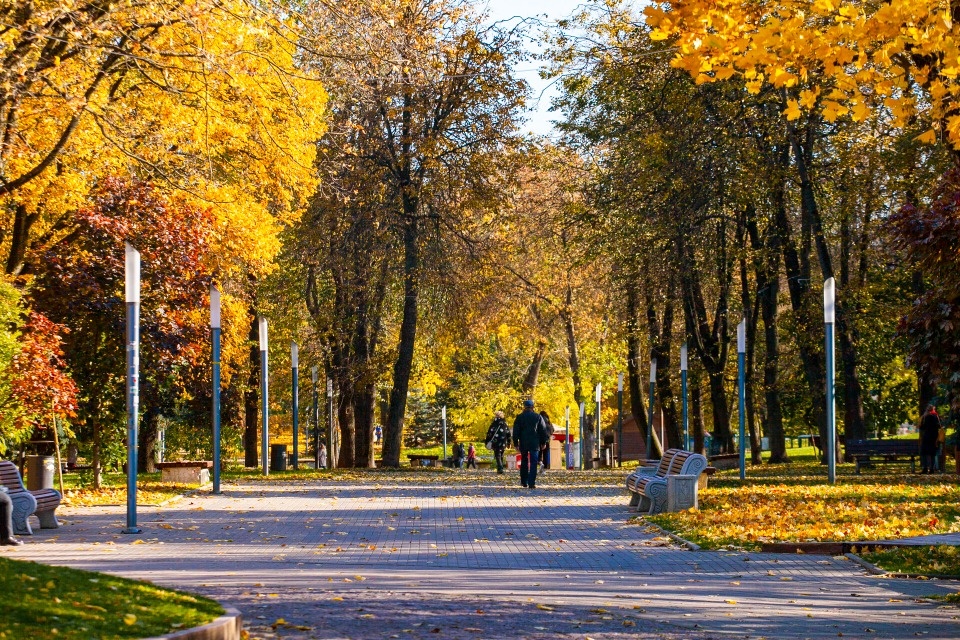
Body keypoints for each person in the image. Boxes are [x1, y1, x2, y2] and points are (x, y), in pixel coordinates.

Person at [513, 399, 548, 489]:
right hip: (534, 443)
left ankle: (524, 481)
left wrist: (516, 443)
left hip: (523, 443)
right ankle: (531, 482)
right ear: (532, 407)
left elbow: (516, 431)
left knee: (524, 461)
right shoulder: (538, 417)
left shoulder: (519, 417)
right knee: (533, 462)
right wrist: (543, 442)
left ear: (524, 407)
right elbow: (543, 430)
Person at [919, 404, 942, 473]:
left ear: (927, 410)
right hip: (934, 436)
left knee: (924, 452)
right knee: (932, 453)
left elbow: (922, 427)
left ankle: (925, 468)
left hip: (927, 436)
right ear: (933, 409)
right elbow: (939, 426)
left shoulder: (926, 417)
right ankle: (931, 469)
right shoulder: (936, 416)